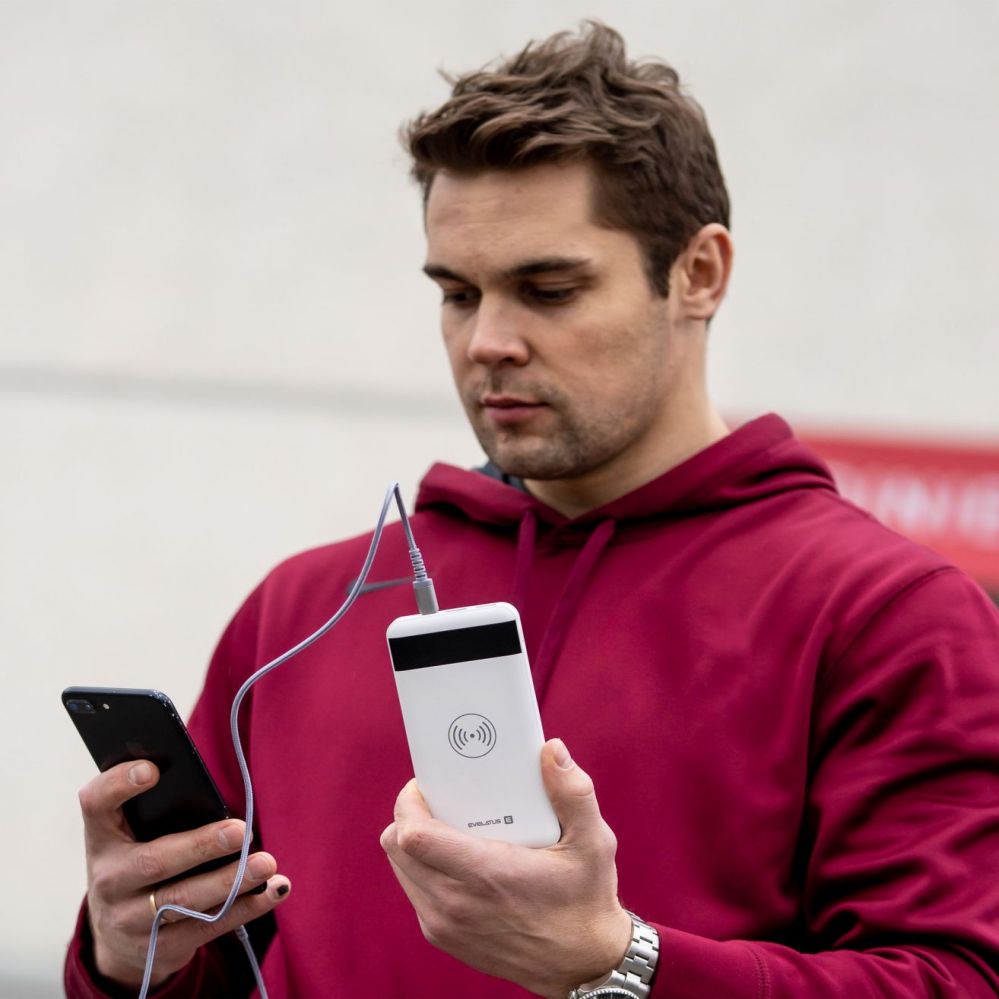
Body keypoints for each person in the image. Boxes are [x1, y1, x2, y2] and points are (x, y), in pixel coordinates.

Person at [66, 22, 999, 998]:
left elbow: (954, 980)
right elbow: (223, 976)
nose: (488, 341)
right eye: (458, 293)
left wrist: (620, 963)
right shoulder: (302, 612)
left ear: (699, 274)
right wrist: (128, 959)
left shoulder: (887, 615)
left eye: (547, 289)